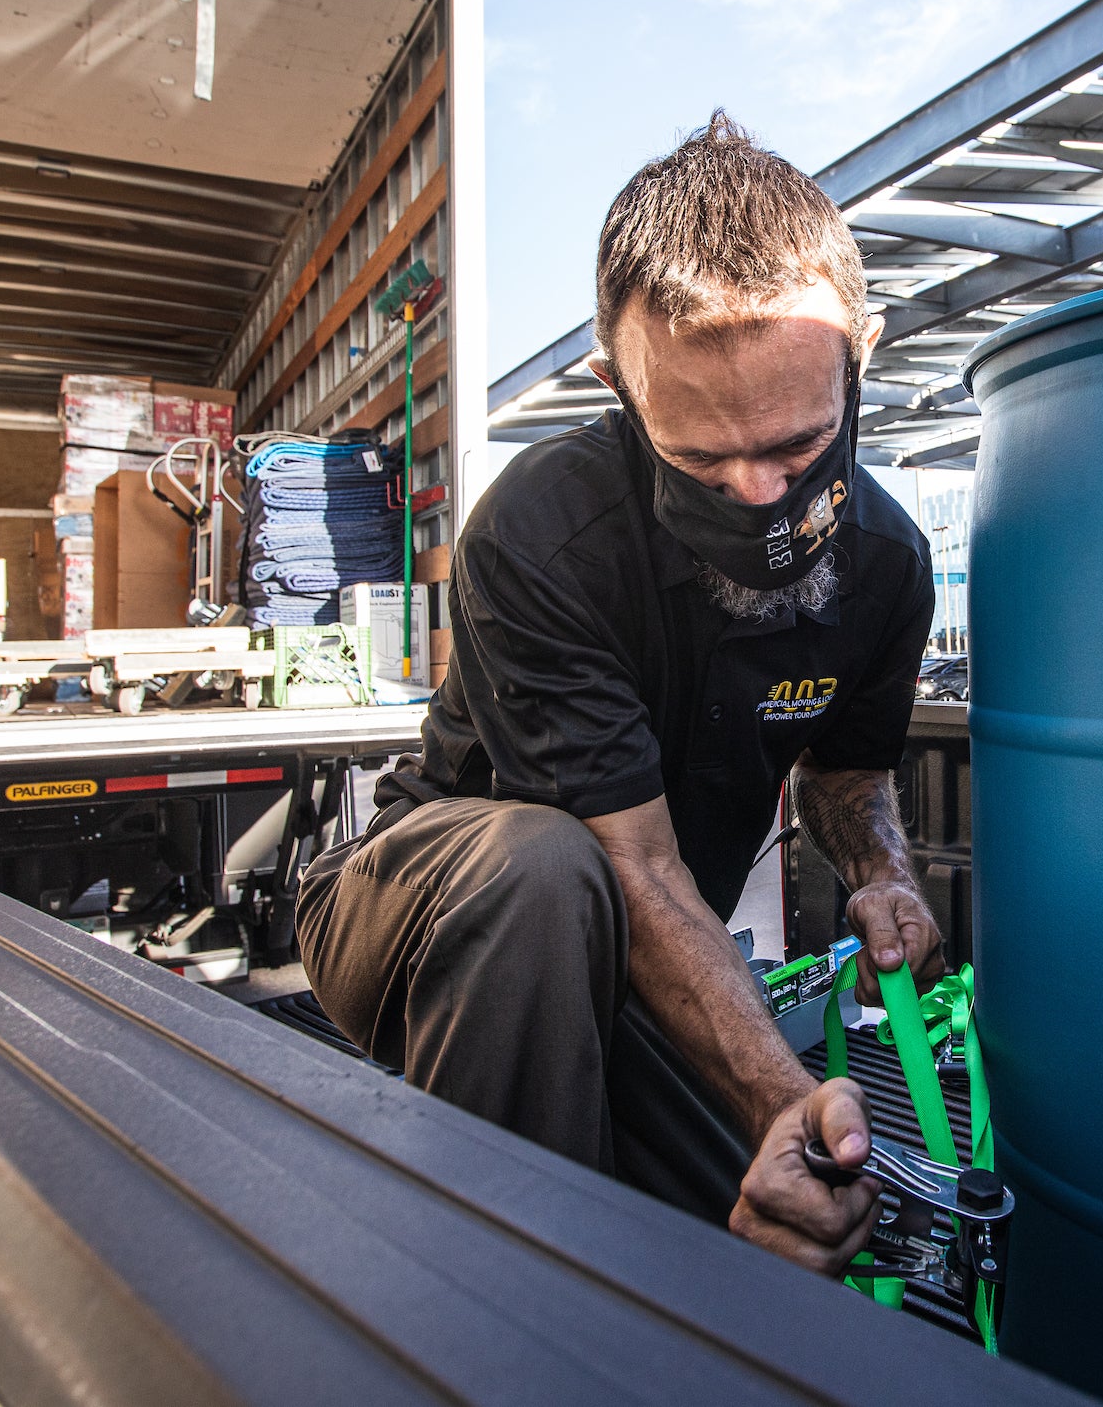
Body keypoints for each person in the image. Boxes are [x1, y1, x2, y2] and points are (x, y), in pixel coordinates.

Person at [299, 112, 942, 1275]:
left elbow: (849, 772)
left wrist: (882, 871)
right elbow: (630, 866)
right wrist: (767, 1085)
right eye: (703, 458)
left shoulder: (888, 564)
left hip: (637, 952)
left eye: (799, 448)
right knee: (544, 865)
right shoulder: (544, 534)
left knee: (777, 1235)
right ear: (617, 382)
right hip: (429, 908)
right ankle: (494, 1307)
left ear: (863, 353)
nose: (759, 499)